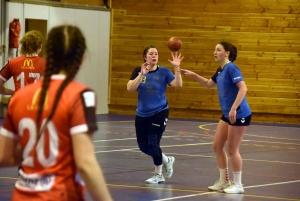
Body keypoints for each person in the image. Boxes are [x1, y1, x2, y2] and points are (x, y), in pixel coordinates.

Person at [0, 25, 113, 201]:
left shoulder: (20, 96)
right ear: (82, 57)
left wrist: (35, 149)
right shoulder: (79, 95)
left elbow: (3, 156)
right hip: (61, 194)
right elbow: (85, 163)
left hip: (22, 195)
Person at [181, 41, 251, 194]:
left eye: (218, 50)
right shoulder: (220, 70)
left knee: (233, 149)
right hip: (227, 114)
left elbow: (243, 88)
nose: (214, 52)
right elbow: (208, 83)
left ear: (227, 53)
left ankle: (238, 185)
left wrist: (234, 108)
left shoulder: (232, 68)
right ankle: (224, 181)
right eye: (214, 49)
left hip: (239, 114)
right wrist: (193, 75)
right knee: (217, 146)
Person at [127, 45, 184, 184]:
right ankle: (167, 160)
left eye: (156, 54)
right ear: (145, 57)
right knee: (143, 146)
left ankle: (158, 175)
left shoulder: (164, 71)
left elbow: (178, 84)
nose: (154, 56)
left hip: (159, 111)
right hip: (142, 113)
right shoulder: (138, 71)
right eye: (151, 54)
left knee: (153, 142)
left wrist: (177, 68)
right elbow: (130, 88)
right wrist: (141, 75)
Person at [0, 30, 46, 95]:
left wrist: (13, 93)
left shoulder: (12, 62)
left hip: (19, 102)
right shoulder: (46, 64)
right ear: (40, 46)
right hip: (36, 103)